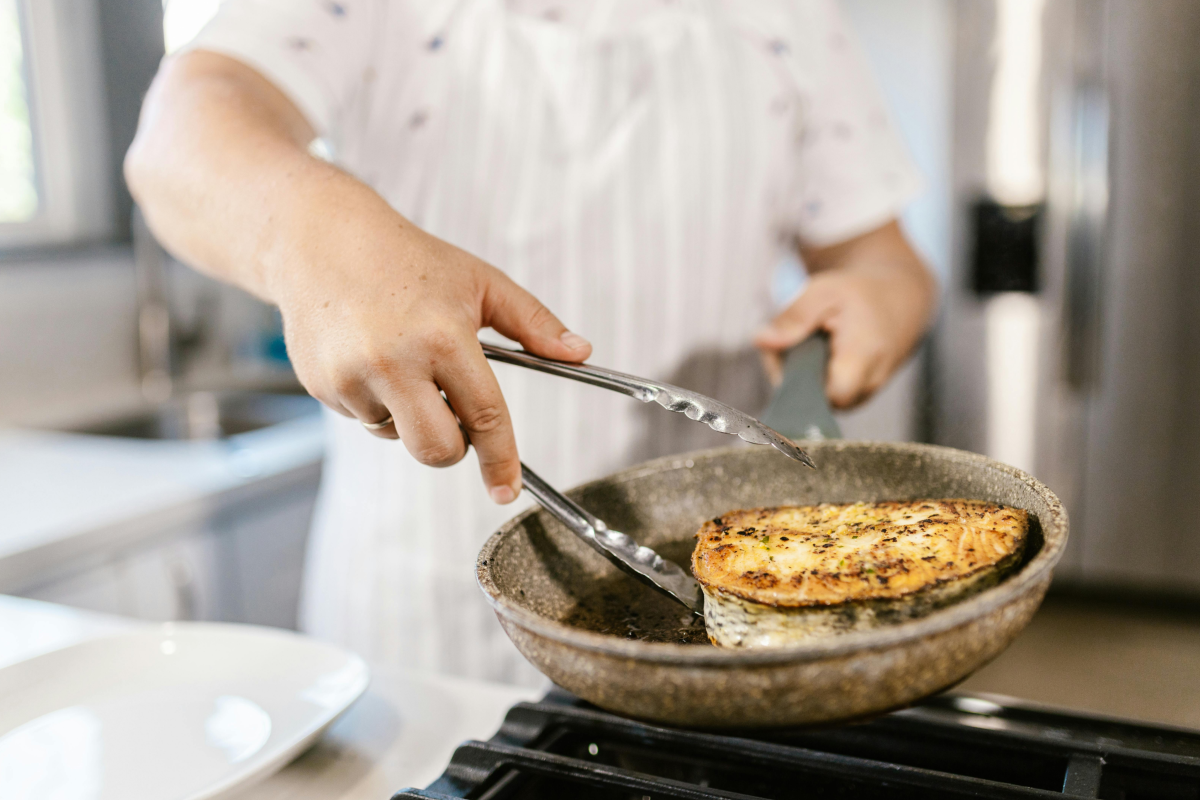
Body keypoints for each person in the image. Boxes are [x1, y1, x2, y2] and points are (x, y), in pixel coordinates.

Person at [126, 0, 936, 685]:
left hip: (726, 608)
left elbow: (883, 258)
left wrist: (875, 299)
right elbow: (180, 135)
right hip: (427, 619)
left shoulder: (792, 17)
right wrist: (313, 237)